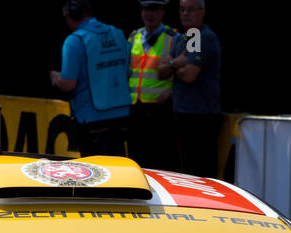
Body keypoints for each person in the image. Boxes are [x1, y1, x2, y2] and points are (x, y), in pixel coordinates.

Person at [50, 0, 131, 156]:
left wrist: (55, 78)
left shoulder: (74, 41)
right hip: (121, 115)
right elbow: (126, 71)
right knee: (118, 168)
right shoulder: (117, 33)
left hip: (92, 119)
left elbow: (68, 84)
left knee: (96, 173)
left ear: (72, 15)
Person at [162, 0, 222, 177]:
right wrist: (175, 64)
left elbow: (189, 75)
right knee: (186, 171)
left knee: (201, 172)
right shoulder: (184, 38)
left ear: (202, 12)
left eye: (191, 9)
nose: (185, 13)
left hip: (201, 116)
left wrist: (171, 64)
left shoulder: (203, 36)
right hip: (184, 113)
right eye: (182, 9)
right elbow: (160, 72)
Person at [126, 0, 177, 170]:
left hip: (159, 109)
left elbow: (185, 71)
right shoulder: (134, 37)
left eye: (154, 9)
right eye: (146, 9)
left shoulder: (173, 38)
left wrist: (172, 92)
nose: (150, 14)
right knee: (135, 160)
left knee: (159, 160)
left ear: (162, 12)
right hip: (135, 108)